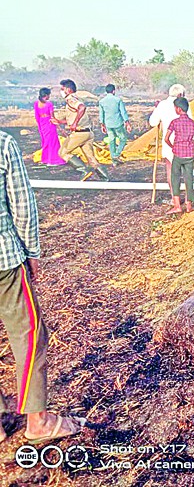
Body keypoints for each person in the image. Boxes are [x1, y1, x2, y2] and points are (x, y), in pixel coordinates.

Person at [0, 130, 85, 443]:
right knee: (29, 335)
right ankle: (38, 421)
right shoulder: (3, 144)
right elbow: (22, 206)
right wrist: (32, 251)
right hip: (4, 260)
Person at [52, 79, 110, 181]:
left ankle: (83, 170)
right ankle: (105, 178)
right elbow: (74, 116)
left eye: (62, 89)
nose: (61, 91)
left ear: (68, 90)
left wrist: (74, 123)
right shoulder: (76, 98)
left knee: (63, 153)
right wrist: (60, 122)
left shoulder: (71, 99)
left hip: (79, 134)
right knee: (91, 159)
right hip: (88, 133)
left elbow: (82, 108)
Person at [149, 84, 193, 199]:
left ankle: (175, 200)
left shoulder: (162, 105)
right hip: (185, 143)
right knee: (186, 171)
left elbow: (153, 122)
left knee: (171, 171)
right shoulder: (184, 105)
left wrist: (156, 109)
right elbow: (191, 123)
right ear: (180, 95)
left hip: (169, 144)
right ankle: (188, 199)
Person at [164, 97, 194, 215]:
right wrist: (193, 146)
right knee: (189, 179)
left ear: (178, 109)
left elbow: (166, 138)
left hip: (178, 154)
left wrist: (173, 146)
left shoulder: (174, 122)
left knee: (175, 178)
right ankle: (189, 205)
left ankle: (177, 206)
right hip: (190, 155)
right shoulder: (193, 123)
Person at [99, 84, 132, 166]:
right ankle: (116, 155)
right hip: (118, 123)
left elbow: (101, 114)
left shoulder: (102, 101)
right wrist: (127, 122)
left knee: (111, 140)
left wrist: (102, 125)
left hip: (108, 124)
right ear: (113, 91)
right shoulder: (118, 100)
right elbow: (123, 112)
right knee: (123, 139)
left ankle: (114, 162)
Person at [33, 88, 65, 166]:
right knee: (53, 142)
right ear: (46, 95)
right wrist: (59, 128)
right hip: (49, 123)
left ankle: (45, 159)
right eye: (49, 95)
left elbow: (36, 116)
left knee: (45, 141)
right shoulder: (49, 104)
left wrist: (40, 125)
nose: (49, 96)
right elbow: (52, 117)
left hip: (41, 123)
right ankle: (53, 160)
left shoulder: (36, 103)